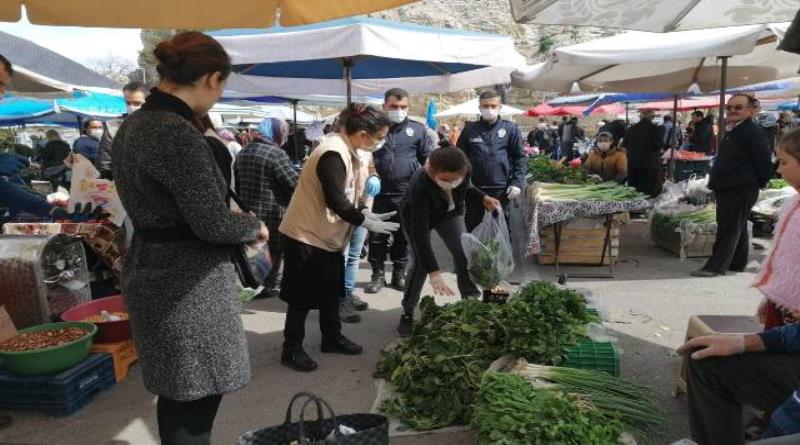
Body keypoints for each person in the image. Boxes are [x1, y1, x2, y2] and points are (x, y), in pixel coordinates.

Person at [112, 32, 268, 445]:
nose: (217, 98)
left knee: (178, 391)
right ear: (212, 79)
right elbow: (211, 224)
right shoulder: (174, 132)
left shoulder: (134, 125)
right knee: (195, 399)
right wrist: (253, 226)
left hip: (154, 267)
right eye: (221, 88)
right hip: (187, 284)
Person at [677, 130, 800, 445]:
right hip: (790, 332)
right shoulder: (793, 205)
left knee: (709, 364)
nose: (778, 168)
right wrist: (743, 342)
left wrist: (746, 343)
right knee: (704, 358)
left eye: (784, 161)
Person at [278, 103, 399, 372]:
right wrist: (363, 220)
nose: (381, 143)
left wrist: (365, 213)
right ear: (363, 133)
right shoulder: (332, 152)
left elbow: (348, 194)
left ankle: (331, 337)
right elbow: (335, 199)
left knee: (331, 290)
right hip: (306, 235)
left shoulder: (349, 150)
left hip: (327, 235)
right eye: (379, 137)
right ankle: (292, 349)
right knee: (301, 297)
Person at [396, 148, 501, 336]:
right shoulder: (419, 185)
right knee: (420, 264)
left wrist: (482, 197)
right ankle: (408, 311)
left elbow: (466, 186)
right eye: (445, 180)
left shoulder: (464, 167)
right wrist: (434, 272)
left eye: (455, 179)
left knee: (464, 254)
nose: (451, 183)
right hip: (418, 216)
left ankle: (470, 304)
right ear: (431, 171)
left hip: (451, 213)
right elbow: (420, 235)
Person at [691, 94, 772, 278]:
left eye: (738, 107)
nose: (733, 111)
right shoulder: (736, 130)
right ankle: (737, 263)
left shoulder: (752, 131)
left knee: (728, 227)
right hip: (730, 185)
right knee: (738, 225)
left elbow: (764, 161)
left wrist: (758, 183)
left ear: (750, 110)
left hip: (740, 187)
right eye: (730, 108)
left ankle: (715, 267)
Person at [366, 88, 432, 294]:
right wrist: (371, 173)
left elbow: (427, 160)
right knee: (377, 237)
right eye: (394, 107)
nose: (398, 110)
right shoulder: (373, 128)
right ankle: (377, 275)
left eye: (403, 107)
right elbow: (364, 155)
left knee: (403, 236)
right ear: (384, 106)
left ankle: (398, 273)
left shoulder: (418, 129)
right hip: (378, 194)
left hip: (406, 194)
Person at [235, 118, 298, 300]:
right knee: (275, 250)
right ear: (277, 133)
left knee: (253, 249)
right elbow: (293, 184)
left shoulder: (243, 151)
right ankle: (270, 284)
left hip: (249, 211)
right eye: (284, 131)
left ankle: (253, 282)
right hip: (273, 211)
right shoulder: (276, 154)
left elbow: (237, 184)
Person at [457, 90, 525, 232]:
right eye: (485, 106)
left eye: (493, 106)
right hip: (474, 189)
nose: (489, 109)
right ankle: (473, 254)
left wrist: (517, 182)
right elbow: (459, 158)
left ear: (500, 107)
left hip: (500, 189)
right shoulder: (470, 130)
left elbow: (519, 157)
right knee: (473, 226)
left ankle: (502, 255)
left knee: (501, 228)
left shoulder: (510, 129)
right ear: (479, 107)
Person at [341, 147, 381, 323]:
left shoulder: (367, 151)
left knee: (354, 255)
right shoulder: (334, 147)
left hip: (363, 207)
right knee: (340, 256)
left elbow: (371, 169)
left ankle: (348, 294)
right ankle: (338, 299)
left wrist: (374, 177)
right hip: (342, 210)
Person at [97, 82, 150, 179]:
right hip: (123, 185)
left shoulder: (160, 125)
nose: (131, 107)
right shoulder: (113, 127)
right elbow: (104, 161)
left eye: (137, 103)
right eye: (128, 103)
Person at [623, 109, 663, 197]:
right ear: (650, 116)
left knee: (632, 189)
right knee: (644, 190)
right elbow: (658, 146)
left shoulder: (631, 129)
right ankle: (641, 208)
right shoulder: (655, 129)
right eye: (653, 115)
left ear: (640, 116)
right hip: (648, 164)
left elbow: (624, 144)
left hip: (632, 163)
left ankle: (632, 208)